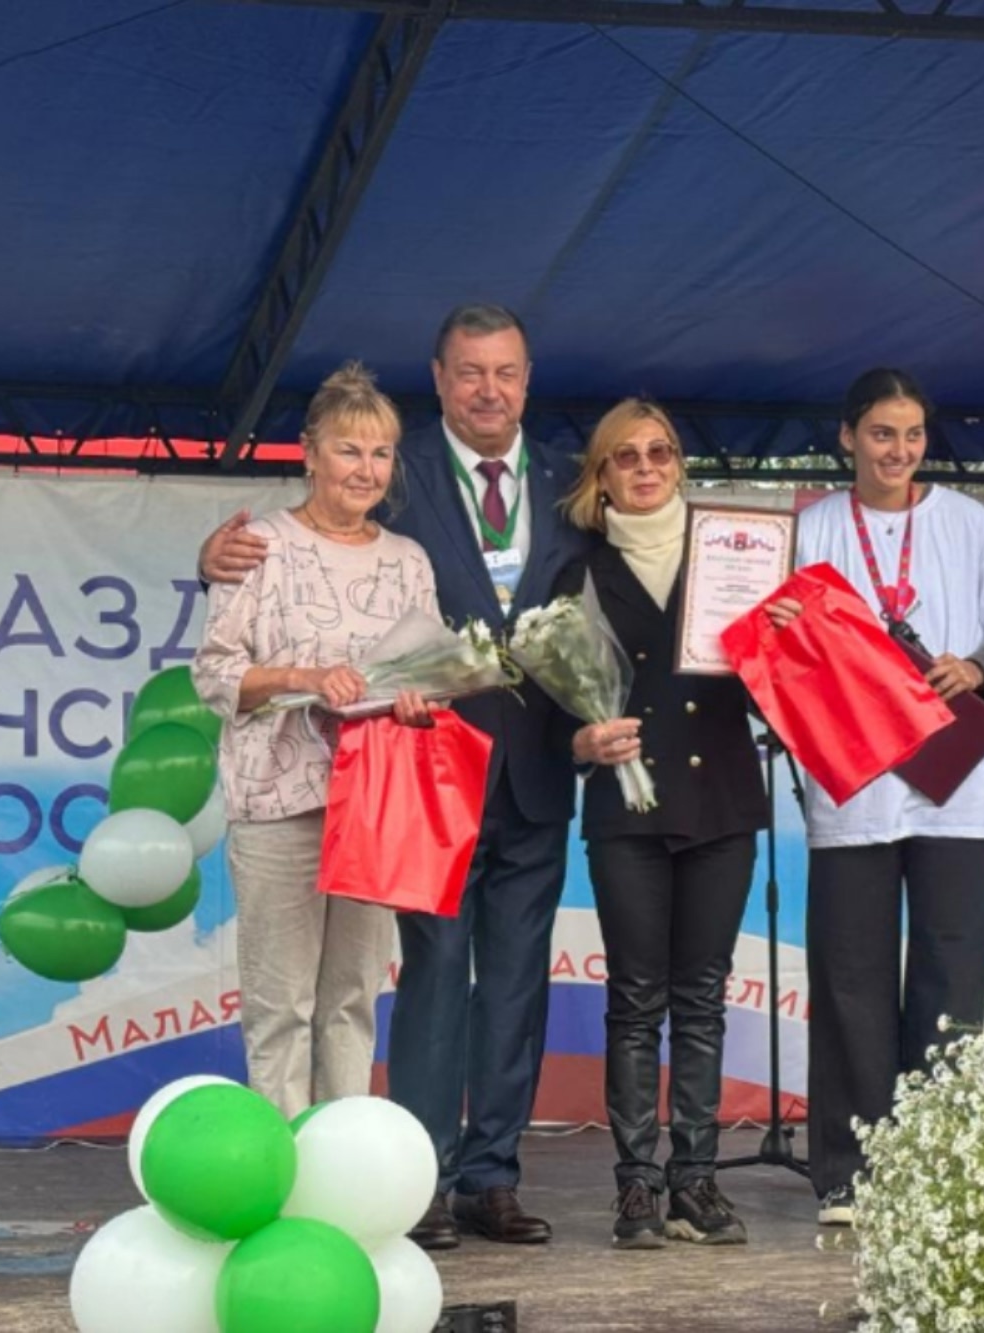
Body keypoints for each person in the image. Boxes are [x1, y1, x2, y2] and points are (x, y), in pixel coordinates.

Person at [198, 305, 590, 1247]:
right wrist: (289, 656)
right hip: (318, 796)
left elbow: (436, 657)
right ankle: (347, 1185)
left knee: (391, 999)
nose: (366, 468)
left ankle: (425, 1180)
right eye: (469, 371)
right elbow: (221, 658)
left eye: (505, 371)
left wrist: (426, 694)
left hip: (434, 788)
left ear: (528, 379)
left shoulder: (547, 491)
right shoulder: (331, 511)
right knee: (345, 995)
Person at [766, 367, 984, 1227]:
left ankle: (938, 1169)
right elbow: (776, 659)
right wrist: (776, 635)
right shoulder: (811, 529)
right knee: (850, 976)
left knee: (950, 975)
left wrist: (979, 669)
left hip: (955, 784)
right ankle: (850, 1173)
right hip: (854, 784)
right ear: (848, 436)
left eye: (913, 434)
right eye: (882, 433)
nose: (898, 450)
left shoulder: (967, 523)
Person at [191, 361, 436, 1119]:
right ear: (309, 452)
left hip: (374, 806)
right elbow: (214, 674)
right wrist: (305, 676)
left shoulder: (408, 561)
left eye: (381, 453)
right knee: (281, 1006)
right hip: (278, 802)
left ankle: (341, 1162)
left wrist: (421, 703)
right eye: (349, 449)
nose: (366, 469)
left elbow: (424, 675)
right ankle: (286, 1165)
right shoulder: (260, 547)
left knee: (352, 1002)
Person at [558, 400, 768, 1249]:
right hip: (627, 806)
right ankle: (638, 1184)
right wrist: (581, 741)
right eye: (627, 456)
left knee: (703, 997)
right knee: (637, 998)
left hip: (720, 797)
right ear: (601, 476)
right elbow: (548, 706)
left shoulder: (736, 557)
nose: (646, 467)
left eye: (661, 452)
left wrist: (782, 642)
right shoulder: (575, 572)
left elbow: (771, 692)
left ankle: (697, 1180)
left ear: (680, 463)